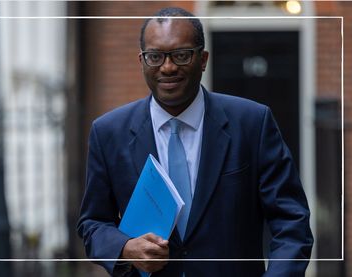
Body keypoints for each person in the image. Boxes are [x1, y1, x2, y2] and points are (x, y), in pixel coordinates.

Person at [77, 7, 313, 277]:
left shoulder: (252, 123)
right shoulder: (108, 132)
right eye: (155, 56)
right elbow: (92, 223)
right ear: (141, 61)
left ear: (203, 59)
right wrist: (125, 247)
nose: (167, 67)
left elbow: (291, 220)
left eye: (181, 55)